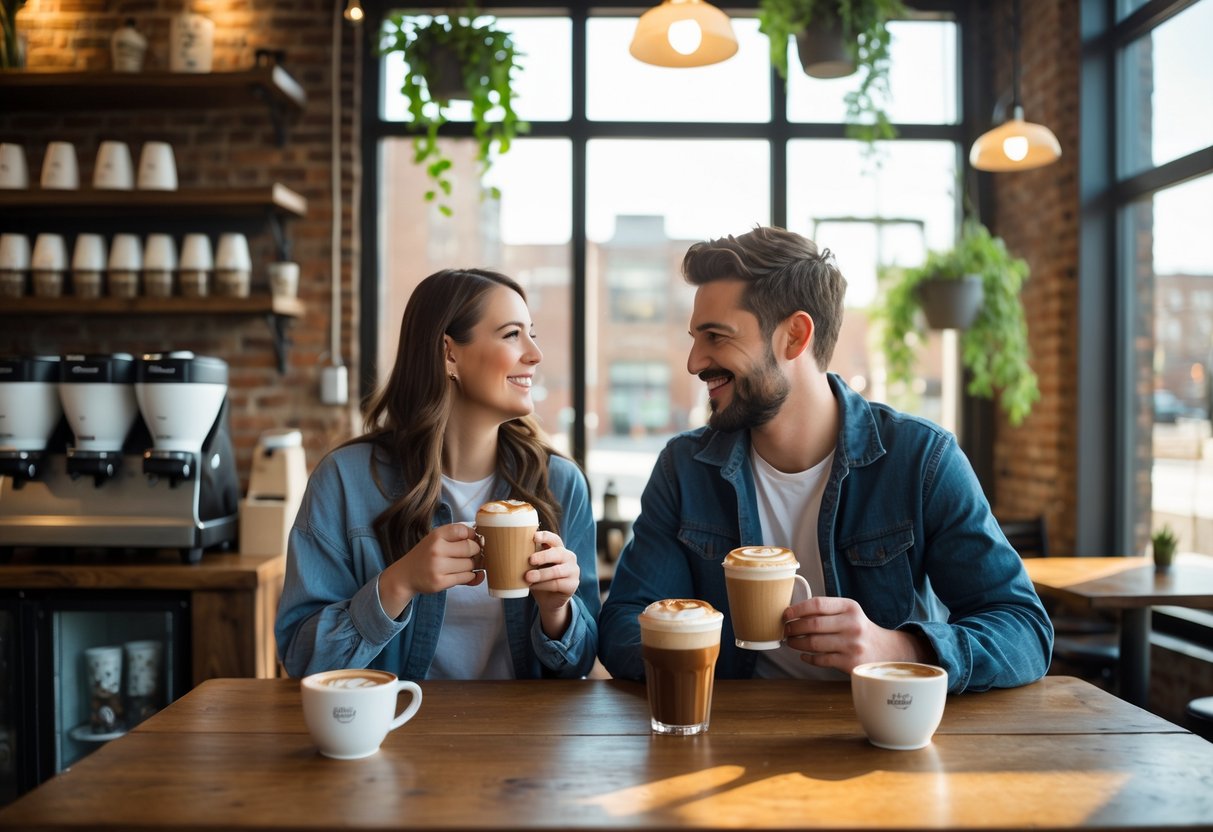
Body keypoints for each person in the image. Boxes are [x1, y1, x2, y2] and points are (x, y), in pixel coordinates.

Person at [598, 227, 1052, 692]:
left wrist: (897, 650)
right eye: (695, 337)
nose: (694, 362)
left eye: (715, 336)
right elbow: (621, 624)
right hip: (723, 734)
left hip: (879, 736)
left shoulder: (921, 460)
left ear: (794, 336)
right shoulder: (685, 467)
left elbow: (1024, 631)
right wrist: (691, 640)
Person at [277, 268, 599, 680]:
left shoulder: (561, 484)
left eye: (531, 333)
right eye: (512, 334)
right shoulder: (344, 481)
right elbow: (303, 660)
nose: (534, 354)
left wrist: (558, 611)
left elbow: (583, 663)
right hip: (391, 730)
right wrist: (398, 583)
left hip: (526, 738)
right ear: (450, 354)